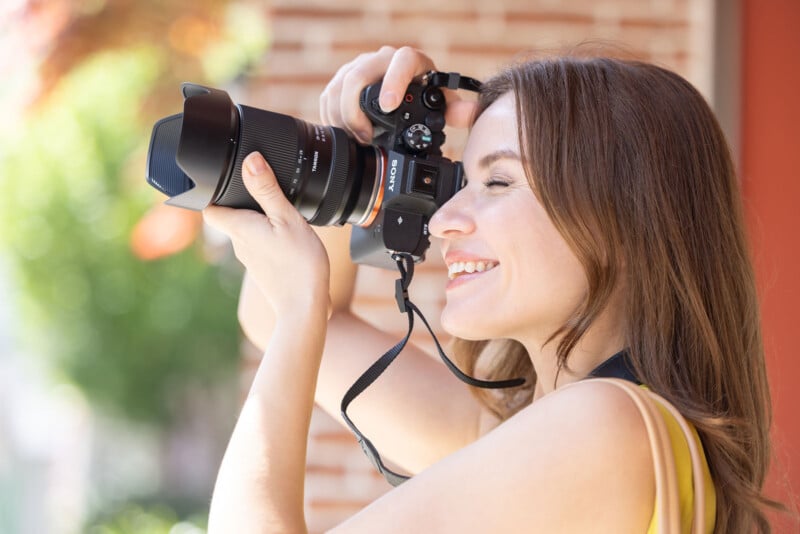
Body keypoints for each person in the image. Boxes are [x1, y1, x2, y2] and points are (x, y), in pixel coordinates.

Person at [202, 46, 777, 532]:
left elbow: (300, 319)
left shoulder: (602, 429)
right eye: (460, 181)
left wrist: (305, 299)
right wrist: (364, 152)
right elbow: (278, 323)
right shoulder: (559, 433)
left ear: (624, 218)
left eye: (498, 181)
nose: (444, 218)